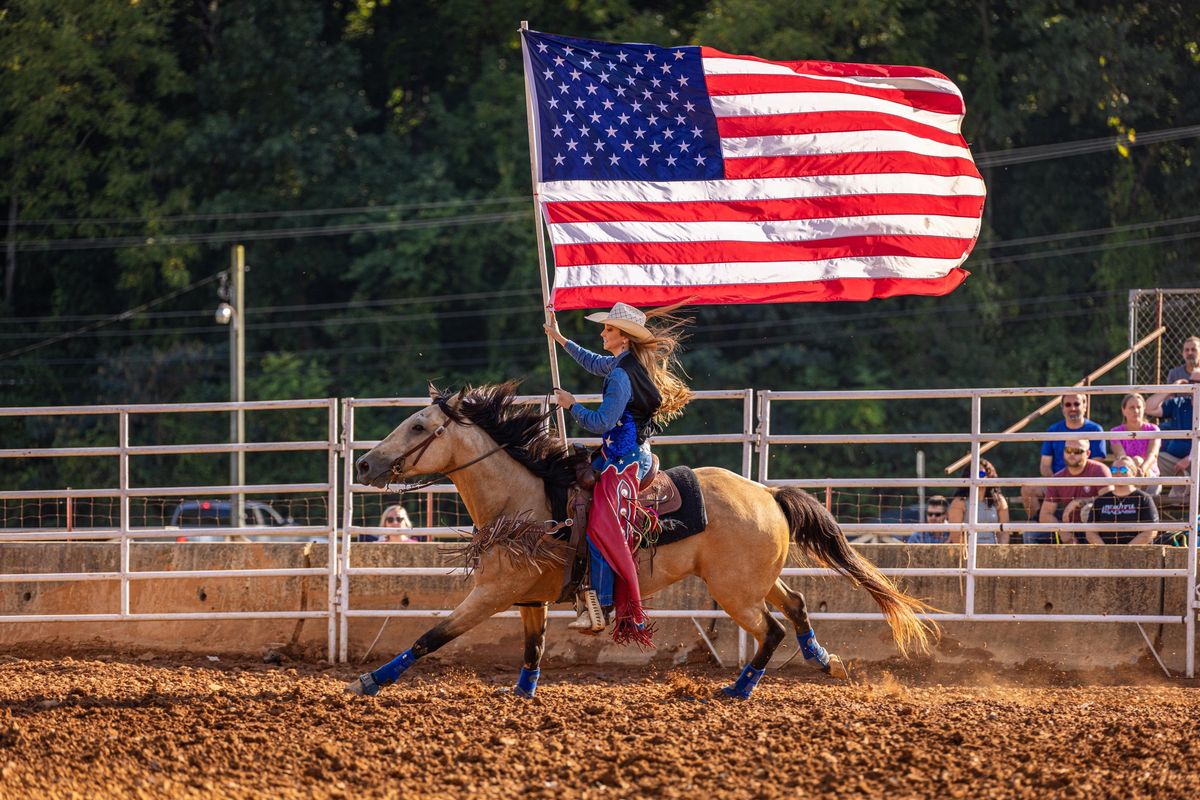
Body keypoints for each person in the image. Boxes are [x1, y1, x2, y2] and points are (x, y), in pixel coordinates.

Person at [544, 301, 692, 644]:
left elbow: (601, 423)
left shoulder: (621, 376)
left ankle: (604, 604)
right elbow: (595, 362)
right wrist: (561, 340)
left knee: (601, 525)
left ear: (622, 338)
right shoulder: (624, 364)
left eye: (608, 329)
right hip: (620, 454)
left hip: (624, 461)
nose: (602, 332)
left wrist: (572, 405)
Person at [1020, 393, 1106, 521]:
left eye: (1077, 404)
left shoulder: (1095, 429)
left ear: (1085, 406)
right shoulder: (1053, 430)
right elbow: (1045, 465)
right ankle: (1039, 525)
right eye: (1068, 404)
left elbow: (1097, 463)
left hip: (1086, 484)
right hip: (1057, 481)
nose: (1072, 408)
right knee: (1027, 489)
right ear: (1062, 408)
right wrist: (1058, 484)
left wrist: (1074, 482)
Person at [1037, 438, 1113, 544]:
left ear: (1087, 453)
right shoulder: (1057, 478)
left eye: (1077, 451)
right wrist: (1063, 532)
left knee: (1087, 511)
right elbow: (1045, 515)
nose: (1072, 454)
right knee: (1032, 534)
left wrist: (1079, 502)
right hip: (1069, 526)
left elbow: (1110, 501)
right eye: (1068, 450)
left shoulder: (1099, 470)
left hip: (1096, 525)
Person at [1146, 369, 1198, 500]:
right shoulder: (1179, 402)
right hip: (1172, 460)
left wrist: (1190, 458)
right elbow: (1148, 408)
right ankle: (1144, 506)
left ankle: (1180, 498)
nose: (1194, 385)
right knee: (1149, 463)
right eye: (1192, 382)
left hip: (1196, 460)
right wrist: (1171, 388)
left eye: (1198, 382)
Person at [1085, 457, 1159, 544]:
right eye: (1114, 469)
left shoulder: (1143, 498)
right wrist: (1105, 550)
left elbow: (1151, 530)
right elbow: (1090, 532)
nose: (1118, 473)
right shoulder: (1101, 500)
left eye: (1123, 470)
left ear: (1133, 473)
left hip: (1136, 552)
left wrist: (1126, 550)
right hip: (1107, 553)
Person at [947, 459, 1010, 544]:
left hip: (992, 551)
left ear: (989, 476)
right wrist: (967, 555)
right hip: (968, 551)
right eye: (974, 474)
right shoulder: (959, 502)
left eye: (981, 474)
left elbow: (1004, 533)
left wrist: (1000, 552)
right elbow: (956, 536)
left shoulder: (999, 501)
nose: (978, 477)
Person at [1110, 392, 1161, 494]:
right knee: (1128, 464)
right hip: (1125, 474)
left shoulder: (1153, 429)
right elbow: (1121, 456)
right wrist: (1133, 472)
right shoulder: (1115, 432)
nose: (1136, 411)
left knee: (1138, 460)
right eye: (1131, 407)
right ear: (1123, 410)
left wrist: (1141, 471)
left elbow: (1152, 455)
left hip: (1149, 476)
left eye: (1139, 407)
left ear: (1144, 409)